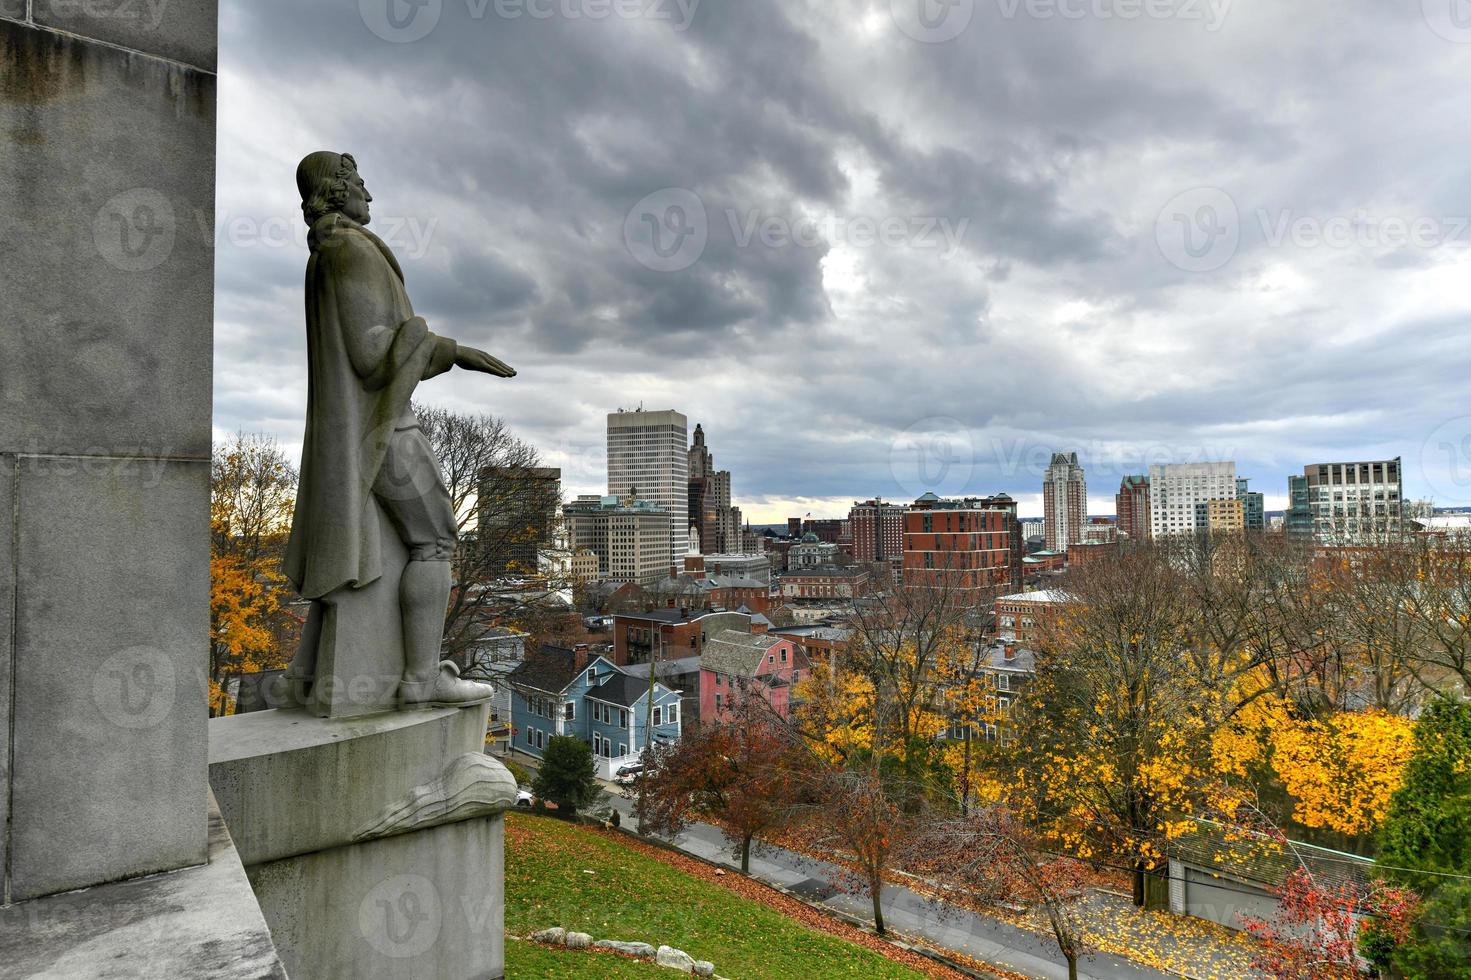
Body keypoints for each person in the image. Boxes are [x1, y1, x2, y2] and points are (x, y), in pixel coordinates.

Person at [281, 151, 514, 708]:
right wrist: (449, 350)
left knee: (355, 559)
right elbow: (370, 353)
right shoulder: (349, 250)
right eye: (360, 183)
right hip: (382, 429)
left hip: (356, 430)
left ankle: (305, 676)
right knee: (436, 541)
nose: (370, 195)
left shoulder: (329, 252)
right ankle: (420, 678)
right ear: (337, 191)